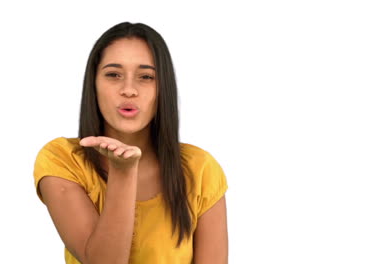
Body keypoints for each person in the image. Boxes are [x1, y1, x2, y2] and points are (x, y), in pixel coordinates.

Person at [33, 22, 228, 264]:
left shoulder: (201, 169)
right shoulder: (61, 158)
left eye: (146, 77)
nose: (128, 90)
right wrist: (123, 172)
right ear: (94, 84)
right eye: (113, 75)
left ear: (162, 88)